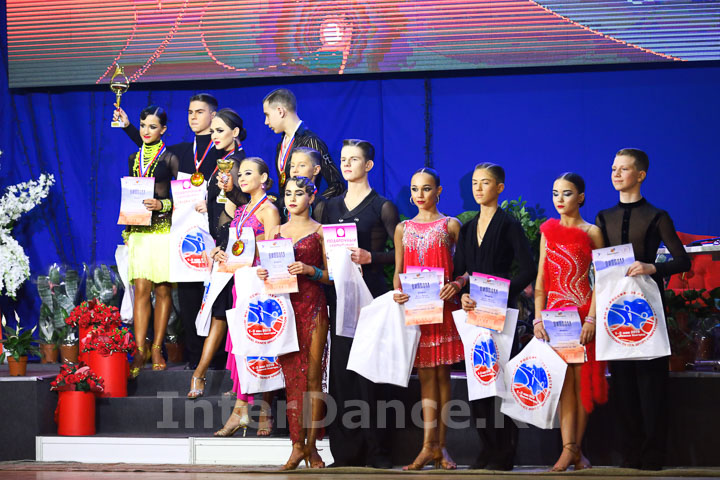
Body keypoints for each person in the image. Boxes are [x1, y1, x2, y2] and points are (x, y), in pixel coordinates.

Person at [595, 148, 690, 470]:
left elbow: (683, 261)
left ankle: (654, 454)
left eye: (623, 169)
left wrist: (653, 267)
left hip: (647, 305)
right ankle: (630, 452)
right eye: (613, 168)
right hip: (614, 306)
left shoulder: (656, 215)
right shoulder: (603, 217)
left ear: (641, 175)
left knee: (651, 385)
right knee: (622, 384)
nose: (616, 174)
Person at [115, 93, 224, 370]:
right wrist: (128, 126)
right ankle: (145, 350)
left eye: (199, 112)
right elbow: (150, 147)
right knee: (151, 290)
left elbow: (161, 156)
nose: (193, 116)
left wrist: (163, 204)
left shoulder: (220, 149)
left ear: (214, 116)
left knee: (179, 292)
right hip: (156, 230)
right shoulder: (181, 150)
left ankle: (167, 351)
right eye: (190, 112)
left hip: (197, 228)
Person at [453, 162, 536, 471]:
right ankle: (486, 448)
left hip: (502, 312)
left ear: (499, 188)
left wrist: (503, 292)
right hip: (474, 312)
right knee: (479, 380)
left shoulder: (509, 224)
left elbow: (529, 268)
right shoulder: (467, 227)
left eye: (485, 182)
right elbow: (460, 271)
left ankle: (505, 451)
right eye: (475, 182)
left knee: (501, 381)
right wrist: (462, 293)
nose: (478, 188)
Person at [322, 139, 399, 469]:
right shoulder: (328, 207)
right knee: (342, 375)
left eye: (354, 159)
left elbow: (401, 253)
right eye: (343, 159)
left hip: (371, 298)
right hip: (340, 298)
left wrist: (373, 257)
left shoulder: (382, 206)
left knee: (369, 373)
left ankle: (377, 451)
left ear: (368, 165)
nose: (346, 164)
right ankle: (345, 452)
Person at [533, 173, 608, 471]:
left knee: (581, 384)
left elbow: (602, 280)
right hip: (554, 318)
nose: (559, 199)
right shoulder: (548, 231)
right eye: (555, 193)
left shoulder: (592, 232)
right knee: (563, 385)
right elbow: (541, 281)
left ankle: (574, 449)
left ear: (581, 197)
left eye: (566, 193)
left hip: (583, 316)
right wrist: (537, 318)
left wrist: (591, 318)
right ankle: (570, 450)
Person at [392, 167, 463, 470]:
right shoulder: (403, 228)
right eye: (414, 189)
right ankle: (426, 446)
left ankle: (441, 447)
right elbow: (398, 270)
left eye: (426, 188)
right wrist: (397, 291)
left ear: (438, 191)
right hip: (417, 311)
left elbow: (466, 267)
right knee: (424, 379)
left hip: (443, 310)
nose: (419, 195)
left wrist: (457, 284)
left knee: (443, 377)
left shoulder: (451, 225)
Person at [257, 176, 330, 470]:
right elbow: (264, 268)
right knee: (292, 379)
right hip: (285, 308)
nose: (292, 199)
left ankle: (312, 447)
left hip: (313, 307)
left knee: (313, 377)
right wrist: (262, 273)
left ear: (311, 197)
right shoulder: (275, 231)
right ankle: (296, 445)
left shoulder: (321, 231)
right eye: (288, 193)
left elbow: (333, 276)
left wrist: (311, 270)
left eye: (299, 193)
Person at [212, 157, 280, 437]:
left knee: (263, 346)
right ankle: (241, 409)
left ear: (263, 178)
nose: (241, 178)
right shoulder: (241, 210)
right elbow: (234, 245)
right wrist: (220, 252)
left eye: (248, 173)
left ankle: (262, 409)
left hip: (261, 284)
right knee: (242, 346)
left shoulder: (269, 210)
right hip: (241, 282)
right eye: (240, 174)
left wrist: (253, 253)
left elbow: (274, 250)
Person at [187, 108, 248, 399]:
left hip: (233, 249)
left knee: (225, 314)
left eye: (220, 130)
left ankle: (202, 374)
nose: (214, 136)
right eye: (212, 131)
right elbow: (223, 203)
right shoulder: (223, 162)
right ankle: (235, 384)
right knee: (223, 313)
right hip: (221, 246)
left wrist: (223, 245)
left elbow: (240, 205)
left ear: (235, 133)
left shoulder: (239, 163)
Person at [124, 105, 179, 378]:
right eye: (143, 125)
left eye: (153, 127)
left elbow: (185, 197)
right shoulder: (134, 157)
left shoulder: (170, 158)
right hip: (140, 232)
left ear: (163, 130)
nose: (146, 131)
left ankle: (157, 348)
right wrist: (128, 226)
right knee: (141, 290)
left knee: (163, 291)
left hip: (163, 231)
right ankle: (139, 349)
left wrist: (162, 204)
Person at [262, 88, 344, 203]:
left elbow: (337, 185)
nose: (266, 121)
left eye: (267, 115)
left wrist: (311, 204)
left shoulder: (311, 141)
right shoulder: (280, 145)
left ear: (280, 111)